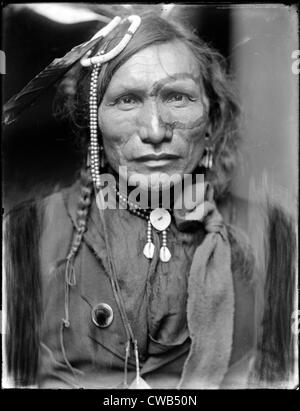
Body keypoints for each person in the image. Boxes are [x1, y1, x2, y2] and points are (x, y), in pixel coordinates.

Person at [3, 12, 296, 389]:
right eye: (127, 100)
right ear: (94, 124)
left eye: (177, 96)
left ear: (212, 115)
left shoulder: (273, 234)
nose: (155, 130)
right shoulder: (26, 235)